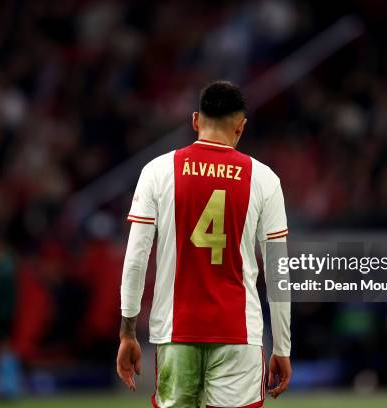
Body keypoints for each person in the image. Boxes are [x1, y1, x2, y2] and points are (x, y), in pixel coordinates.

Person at [117, 80, 291, 407]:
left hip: (176, 332)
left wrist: (127, 332)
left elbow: (136, 260)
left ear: (196, 121)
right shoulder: (264, 179)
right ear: (241, 127)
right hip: (239, 336)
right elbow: (278, 275)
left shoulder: (157, 171)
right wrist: (282, 347)